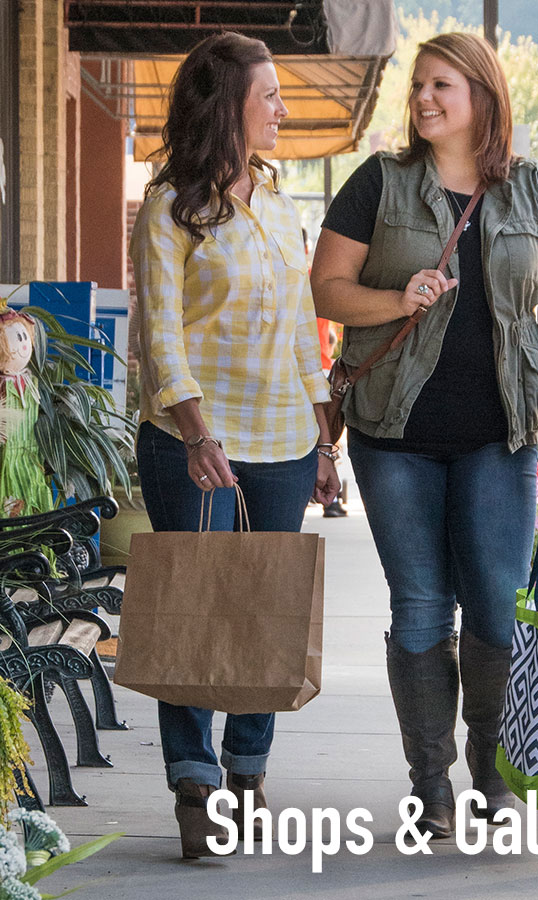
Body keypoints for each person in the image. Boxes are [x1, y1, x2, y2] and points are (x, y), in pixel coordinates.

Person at [311, 32, 538, 837]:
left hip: (503, 435)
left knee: (496, 605)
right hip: (395, 435)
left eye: (441, 86)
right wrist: (397, 301)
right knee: (422, 603)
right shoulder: (378, 184)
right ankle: (429, 781)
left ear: (483, 96)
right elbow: (326, 288)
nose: (424, 98)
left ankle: (488, 770)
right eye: (418, 86)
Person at [129, 31, 340, 859]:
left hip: (281, 440)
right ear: (229, 108)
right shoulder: (171, 208)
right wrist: (195, 430)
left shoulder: (281, 203)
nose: (283, 108)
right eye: (271, 96)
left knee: (263, 608)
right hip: (193, 443)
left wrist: (323, 440)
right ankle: (194, 783)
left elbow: (300, 329)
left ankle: (248, 767)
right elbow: (162, 336)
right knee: (193, 601)